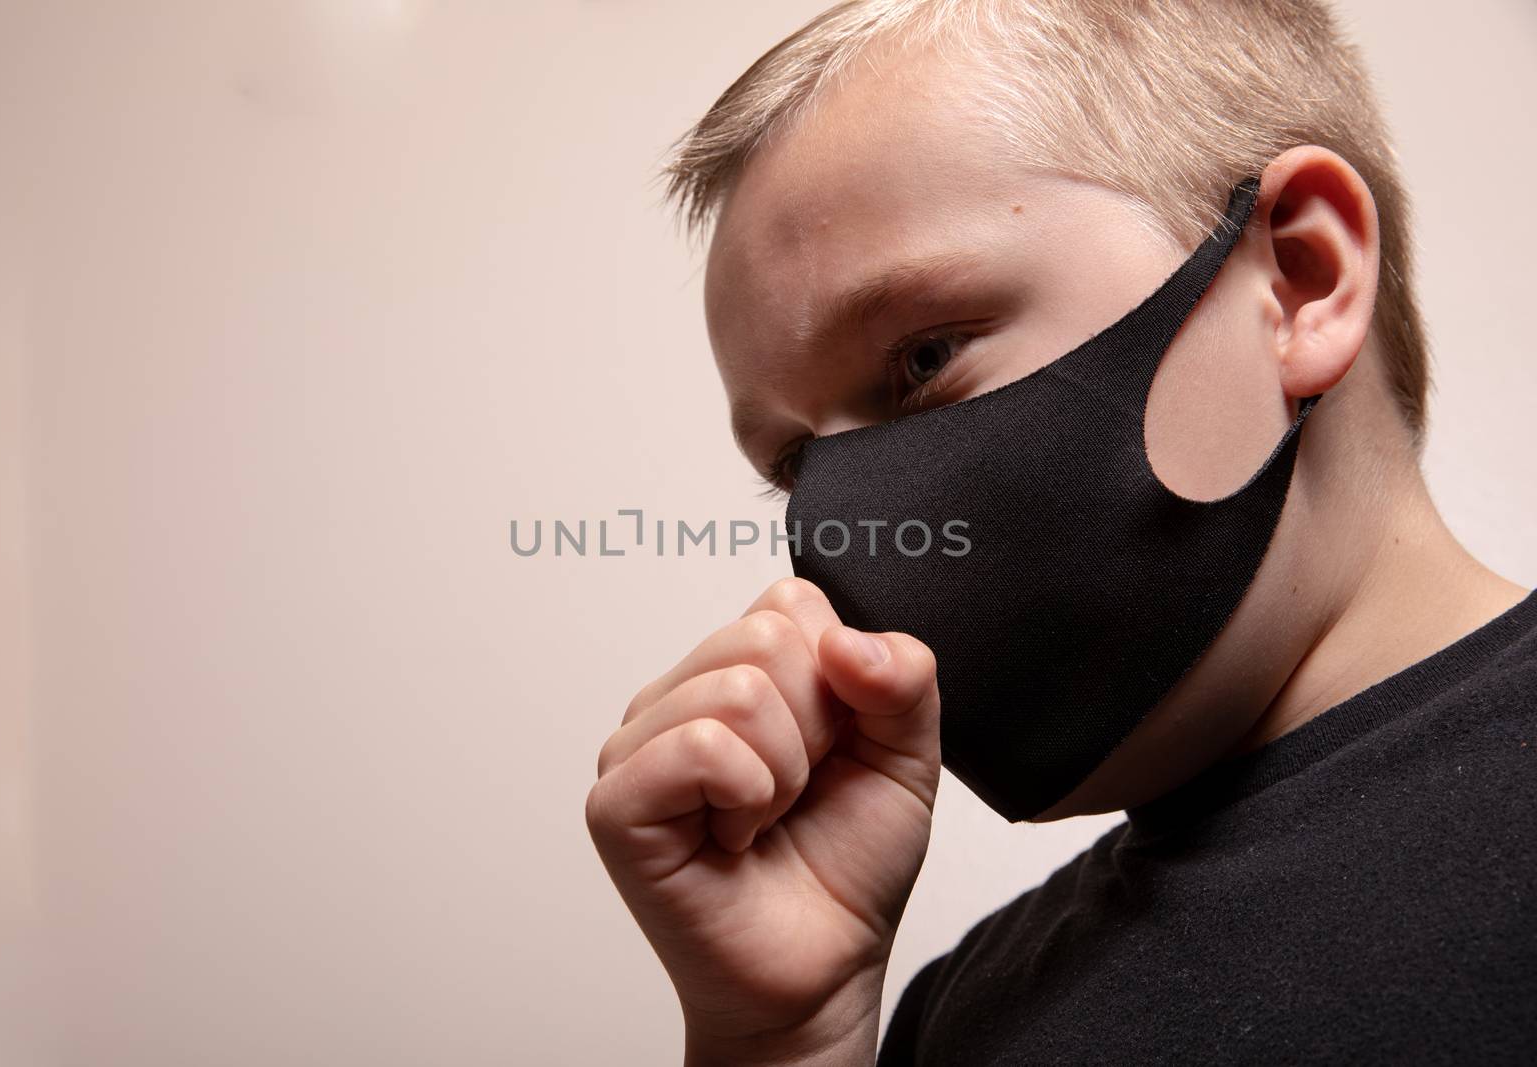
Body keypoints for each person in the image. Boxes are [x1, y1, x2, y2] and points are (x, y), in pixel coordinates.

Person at [585, 1, 1536, 1062]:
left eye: (922, 357)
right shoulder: (954, 1010)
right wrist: (779, 1036)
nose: (846, 520)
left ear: (1299, 281)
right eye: (793, 465)